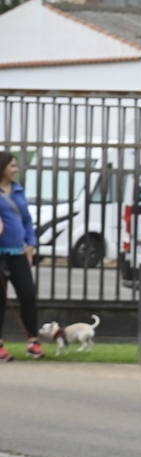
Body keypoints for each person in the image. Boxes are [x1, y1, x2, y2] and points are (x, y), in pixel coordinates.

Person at [0, 151, 43, 361]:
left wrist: (31, 244)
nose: (16, 169)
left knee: (27, 294)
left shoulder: (18, 190)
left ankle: (33, 341)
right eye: (13, 166)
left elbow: (26, 220)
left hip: (18, 252)